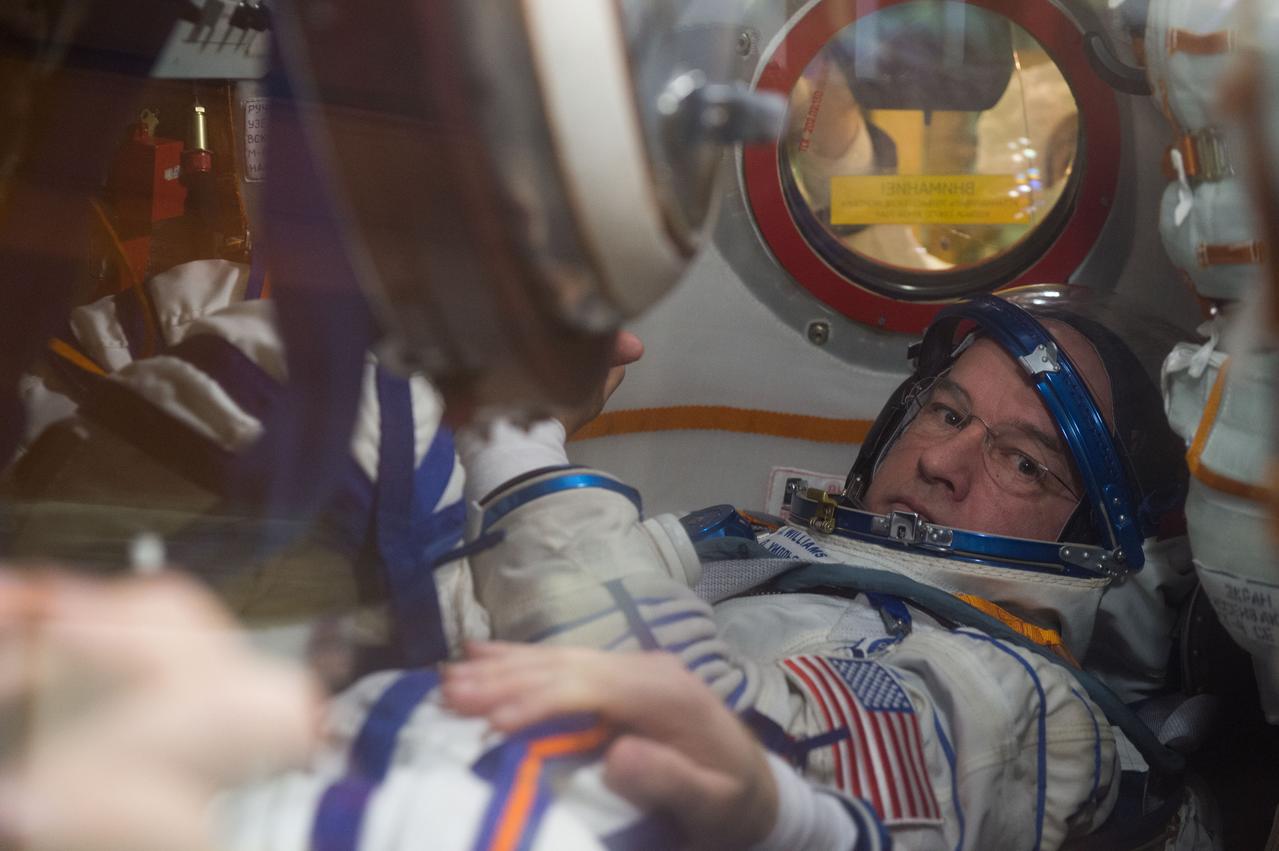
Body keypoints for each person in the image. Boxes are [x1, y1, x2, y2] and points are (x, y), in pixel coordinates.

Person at [450, 285, 1210, 850]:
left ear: (1092, 536)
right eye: (946, 413)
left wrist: (519, 440)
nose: (942, 460)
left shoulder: (1018, 705)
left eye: (1020, 461)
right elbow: (467, 615)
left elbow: (685, 754)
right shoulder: (752, 547)